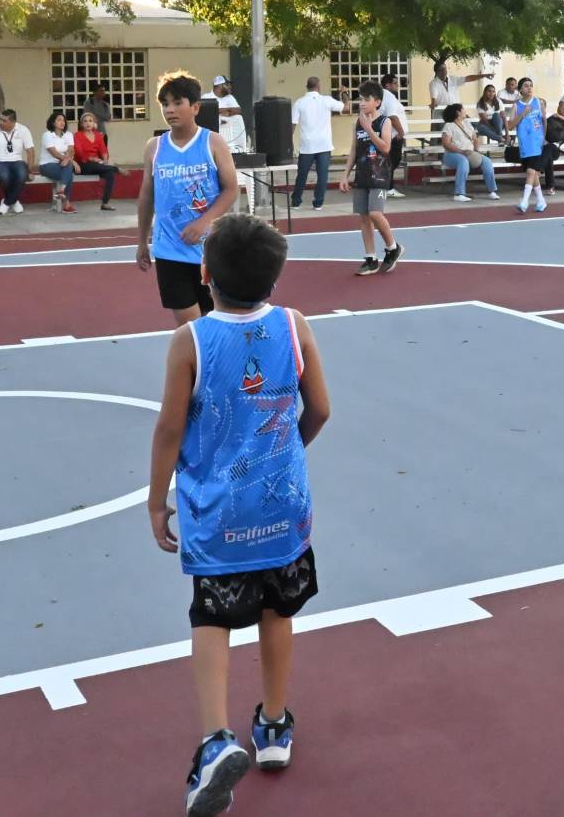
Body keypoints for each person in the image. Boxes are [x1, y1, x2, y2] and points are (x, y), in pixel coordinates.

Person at [146, 213, 331, 817]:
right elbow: (321, 409)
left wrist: (156, 499)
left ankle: (214, 741)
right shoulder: (294, 325)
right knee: (278, 611)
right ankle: (274, 726)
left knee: (212, 618)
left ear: (204, 274)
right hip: (283, 506)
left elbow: (171, 428)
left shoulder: (190, 341)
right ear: (276, 278)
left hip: (217, 510)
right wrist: (284, 455)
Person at [136, 75, 241, 327]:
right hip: (169, 250)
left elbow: (231, 189)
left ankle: (214, 366)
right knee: (191, 329)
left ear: (195, 107)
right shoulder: (155, 147)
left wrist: (204, 222)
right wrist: (141, 241)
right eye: (164, 103)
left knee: (215, 323)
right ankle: (196, 366)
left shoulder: (213, 142)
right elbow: (146, 195)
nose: (170, 109)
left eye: (177, 102)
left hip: (210, 252)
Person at [338, 81, 402, 274]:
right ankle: (371, 258)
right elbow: (354, 150)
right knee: (364, 217)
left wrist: (369, 129)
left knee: (375, 213)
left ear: (377, 102)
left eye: (367, 99)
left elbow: (385, 147)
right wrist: (345, 174)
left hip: (380, 174)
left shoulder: (385, 121)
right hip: (362, 174)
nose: (362, 103)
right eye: (361, 99)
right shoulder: (357, 122)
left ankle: (393, 247)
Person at [287, 77, 344, 211]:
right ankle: (318, 203)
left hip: (307, 145)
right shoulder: (326, 100)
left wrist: (287, 144)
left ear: (307, 86)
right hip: (324, 145)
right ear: (318, 86)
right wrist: (344, 93)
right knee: (322, 175)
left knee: (302, 174)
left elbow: (293, 125)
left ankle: (296, 201)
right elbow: (345, 106)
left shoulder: (299, 102)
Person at [506, 76, 552, 212]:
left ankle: (524, 201)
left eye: (531, 85)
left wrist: (544, 137)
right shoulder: (516, 106)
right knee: (531, 173)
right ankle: (541, 201)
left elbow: (544, 120)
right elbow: (510, 125)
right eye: (526, 85)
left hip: (537, 143)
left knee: (531, 171)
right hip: (525, 143)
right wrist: (522, 114)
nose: (529, 87)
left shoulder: (538, 102)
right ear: (520, 89)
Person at [439, 103, 498, 201]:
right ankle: (459, 193)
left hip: (469, 153)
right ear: (458, 112)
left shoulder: (467, 124)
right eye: (463, 109)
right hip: (452, 154)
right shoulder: (449, 125)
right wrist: (461, 151)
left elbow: (475, 139)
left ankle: (492, 191)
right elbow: (446, 144)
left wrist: (476, 151)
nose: (465, 111)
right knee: (463, 161)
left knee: (487, 161)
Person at [0, 109, 36, 214]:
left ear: (13, 122)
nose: (0, 122)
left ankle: (6, 202)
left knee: (22, 175)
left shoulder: (23, 130)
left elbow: (31, 152)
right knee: (5, 177)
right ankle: (14, 201)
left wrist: (29, 171)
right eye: (0, 119)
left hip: (16, 160)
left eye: (4, 120)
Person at [70, 111, 121, 210]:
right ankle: (116, 169)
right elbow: (80, 153)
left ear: (94, 123)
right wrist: (92, 159)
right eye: (85, 121)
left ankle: (105, 203)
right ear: (81, 124)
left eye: (90, 121)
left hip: (98, 165)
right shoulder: (77, 135)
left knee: (110, 174)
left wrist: (105, 160)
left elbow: (103, 150)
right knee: (96, 165)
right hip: (83, 165)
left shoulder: (98, 135)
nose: (88, 123)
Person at [37, 111, 78, 213]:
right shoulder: (47, 135)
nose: (62, 122)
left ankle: (61, 191)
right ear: (53, 122)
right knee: (68, 171)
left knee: (67, 169)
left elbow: (71, 150)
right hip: (47, 165)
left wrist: (68, 159)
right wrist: (70, 161)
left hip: (62, 165)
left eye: (63, 120)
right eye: (59, 120)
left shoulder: (68, 135)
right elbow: (54, 153)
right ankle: (66, 203)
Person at [378, 72, 409, 198]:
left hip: (390, 134)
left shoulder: (386, 95)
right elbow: (392, 116)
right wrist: (401, 131)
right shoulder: (388, 96)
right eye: (395, 83)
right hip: (393, 135)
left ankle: (386, 186)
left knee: (390, 161)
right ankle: (388, 187)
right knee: (392, 161)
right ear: (388, 85)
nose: (398, 86)